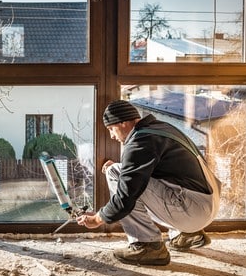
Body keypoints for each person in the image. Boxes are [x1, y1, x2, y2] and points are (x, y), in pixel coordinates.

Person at [76, 99, 221, 266]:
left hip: (193, 210)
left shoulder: (140, 141)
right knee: (126, 173)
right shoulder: (159, 129)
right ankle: (187, 234)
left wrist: (97, 218)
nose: (112, 136)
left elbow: (125, 197)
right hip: (206, 204)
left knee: (115, 173)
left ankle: (147, 245)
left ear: (123, 123)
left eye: (111, 129)